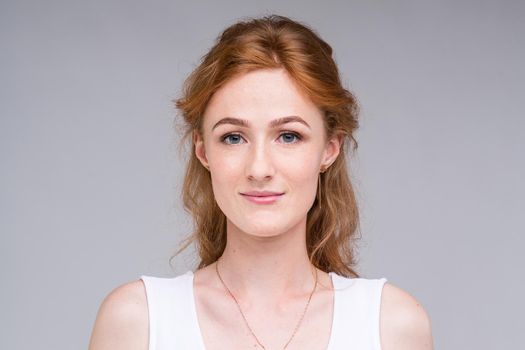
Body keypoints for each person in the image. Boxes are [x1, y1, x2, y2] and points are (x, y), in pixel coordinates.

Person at [88, 14, 433, 350]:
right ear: (203, 151)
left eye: (288, 136)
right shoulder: (137, 322)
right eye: (234, 137)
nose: (259, 168)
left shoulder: (391, 326)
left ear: (329, 149)